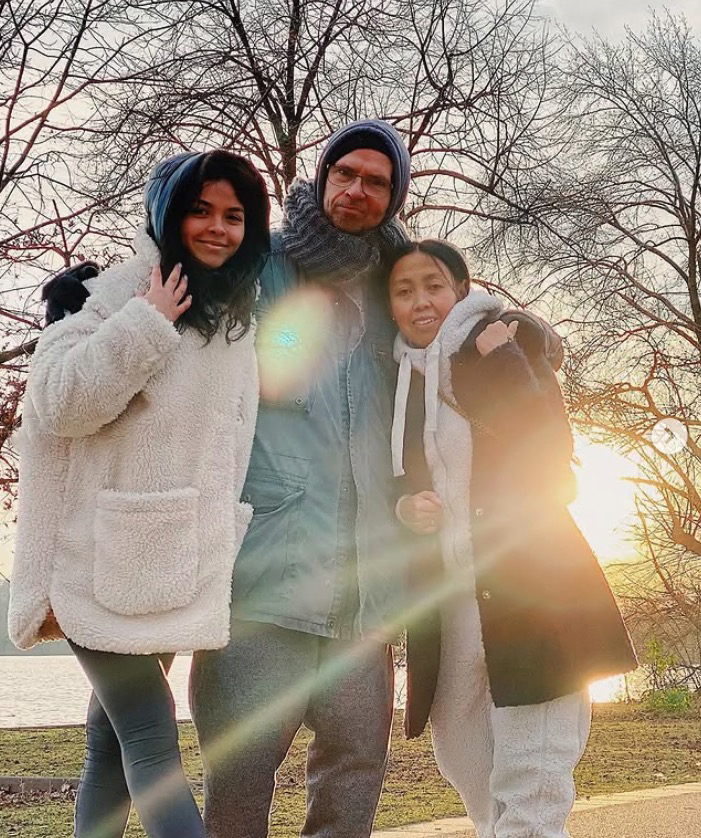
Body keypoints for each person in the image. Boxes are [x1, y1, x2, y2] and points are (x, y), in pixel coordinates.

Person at [8, 149, 270, 838]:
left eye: (233, 215)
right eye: (199, 210)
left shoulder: (232, 318)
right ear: (166, 213)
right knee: (153, 747)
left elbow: (225, 446)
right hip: (95, 561)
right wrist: (145, 321)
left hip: (169, 562)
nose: (217, 227)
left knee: (110, 745)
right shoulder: (123, 291)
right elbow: (58, 406)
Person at [188, 119, 412, 838]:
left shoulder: (400, 286)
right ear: (320, 178)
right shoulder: (263, 261)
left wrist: (531, 339)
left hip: (364, 585)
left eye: (375, 181)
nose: (355, 190)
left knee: (354, 772)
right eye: (343, 173)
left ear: (392, 195)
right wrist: (92, 299)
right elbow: (181, 274)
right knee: (241, 774)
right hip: (265, 574)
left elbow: (465, 325)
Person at [386, 240, 637, 838]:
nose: (422, 300)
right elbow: (389, 481)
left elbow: (552, 458)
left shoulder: (503, 343)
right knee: (466, 761)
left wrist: (501, 361)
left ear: (461, 289)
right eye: (404, 290)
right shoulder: (398, 383)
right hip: (451, 605)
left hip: (533, 594)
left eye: (434, 285)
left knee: (534, 774)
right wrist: (405, 507)